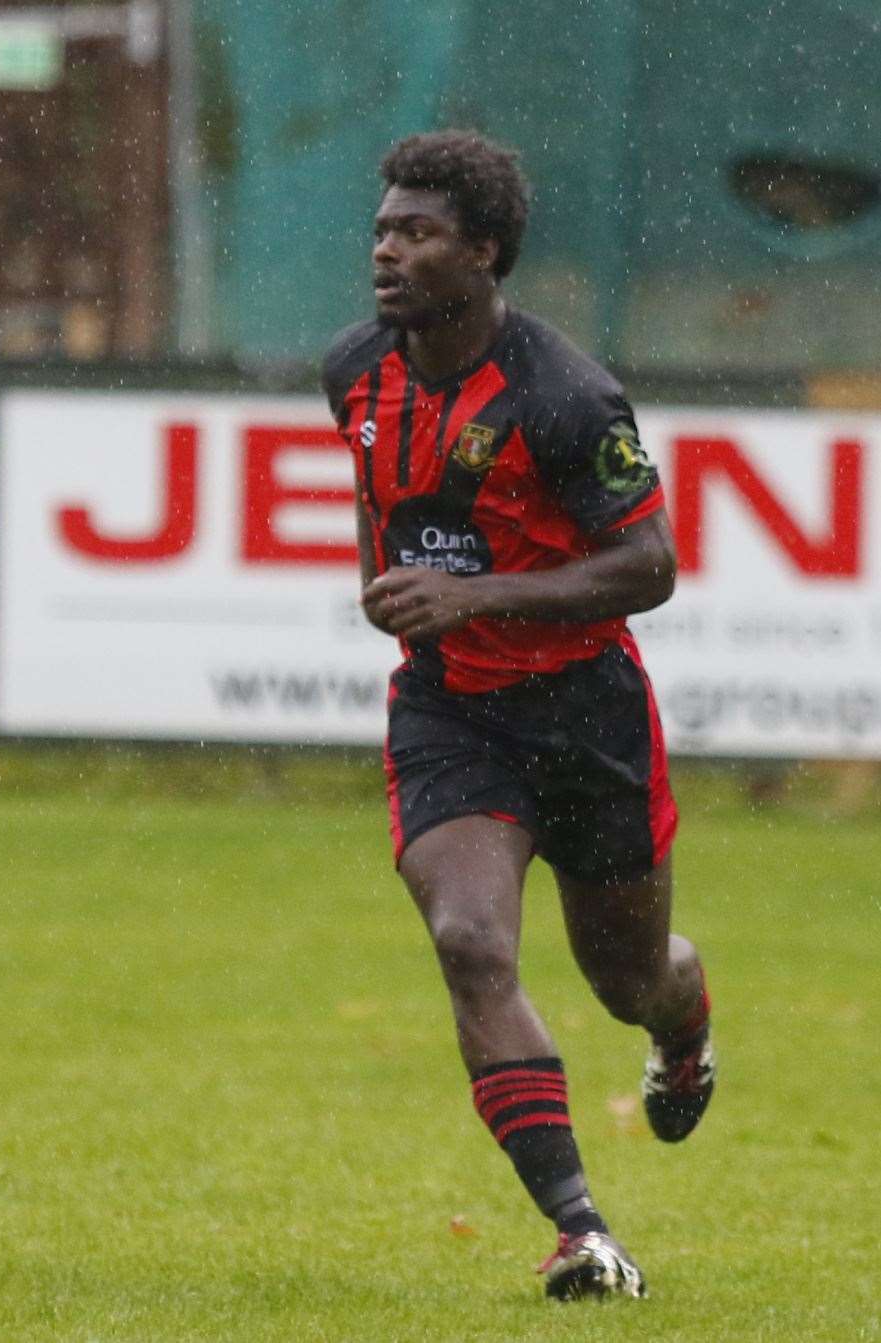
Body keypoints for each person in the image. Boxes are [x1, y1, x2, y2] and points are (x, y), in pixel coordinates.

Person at [321, 130, 716, 1301]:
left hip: (588, 712)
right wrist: (391, 585)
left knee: (628, 975)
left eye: (418, 232)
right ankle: (582, 1231)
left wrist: (473, 593)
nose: (387, 248)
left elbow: (649, 565)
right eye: (384, 227)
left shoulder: (566, 395)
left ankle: (682, 1029)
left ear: (483, 253)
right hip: (452, 710)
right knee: (470, 941)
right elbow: (373, 480)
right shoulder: (355, 366)